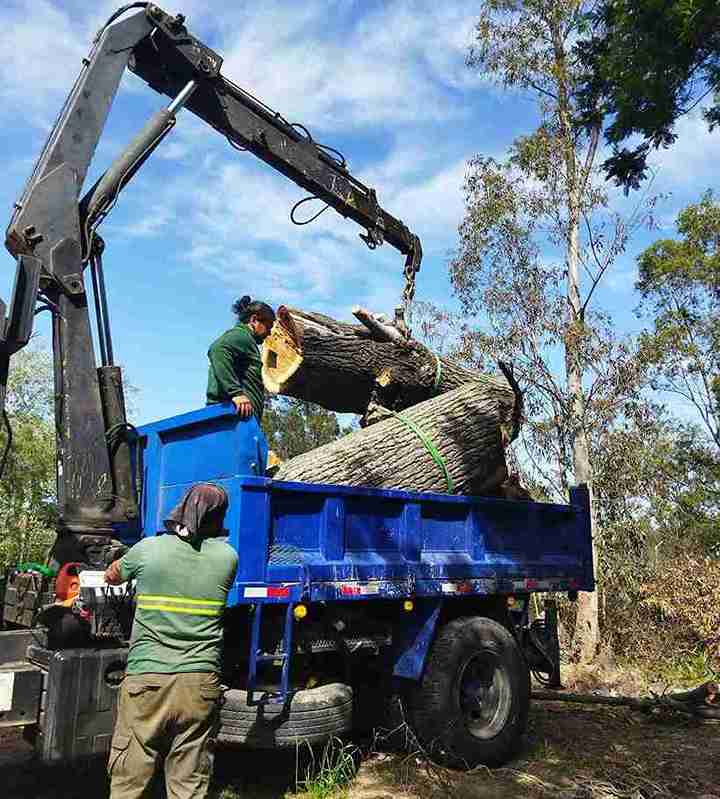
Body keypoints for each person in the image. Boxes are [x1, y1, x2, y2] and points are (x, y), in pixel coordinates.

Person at [104, 483, 238, 799]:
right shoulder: (227, 558)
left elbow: (112, 576)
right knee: (188, 783)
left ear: (183, 507)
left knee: (129, 778)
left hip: (146, 680)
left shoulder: (149, 549)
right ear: (218, 516)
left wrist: (121, 559)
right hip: (200, 684)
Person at [206, 295, 275, 419]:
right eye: (268, 327)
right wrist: (236, 393)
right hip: (232, 416)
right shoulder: (241, 336)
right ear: (254, 320)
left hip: (240, 417)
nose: (269, 333)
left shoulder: (247, 340)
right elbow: (217, 349)